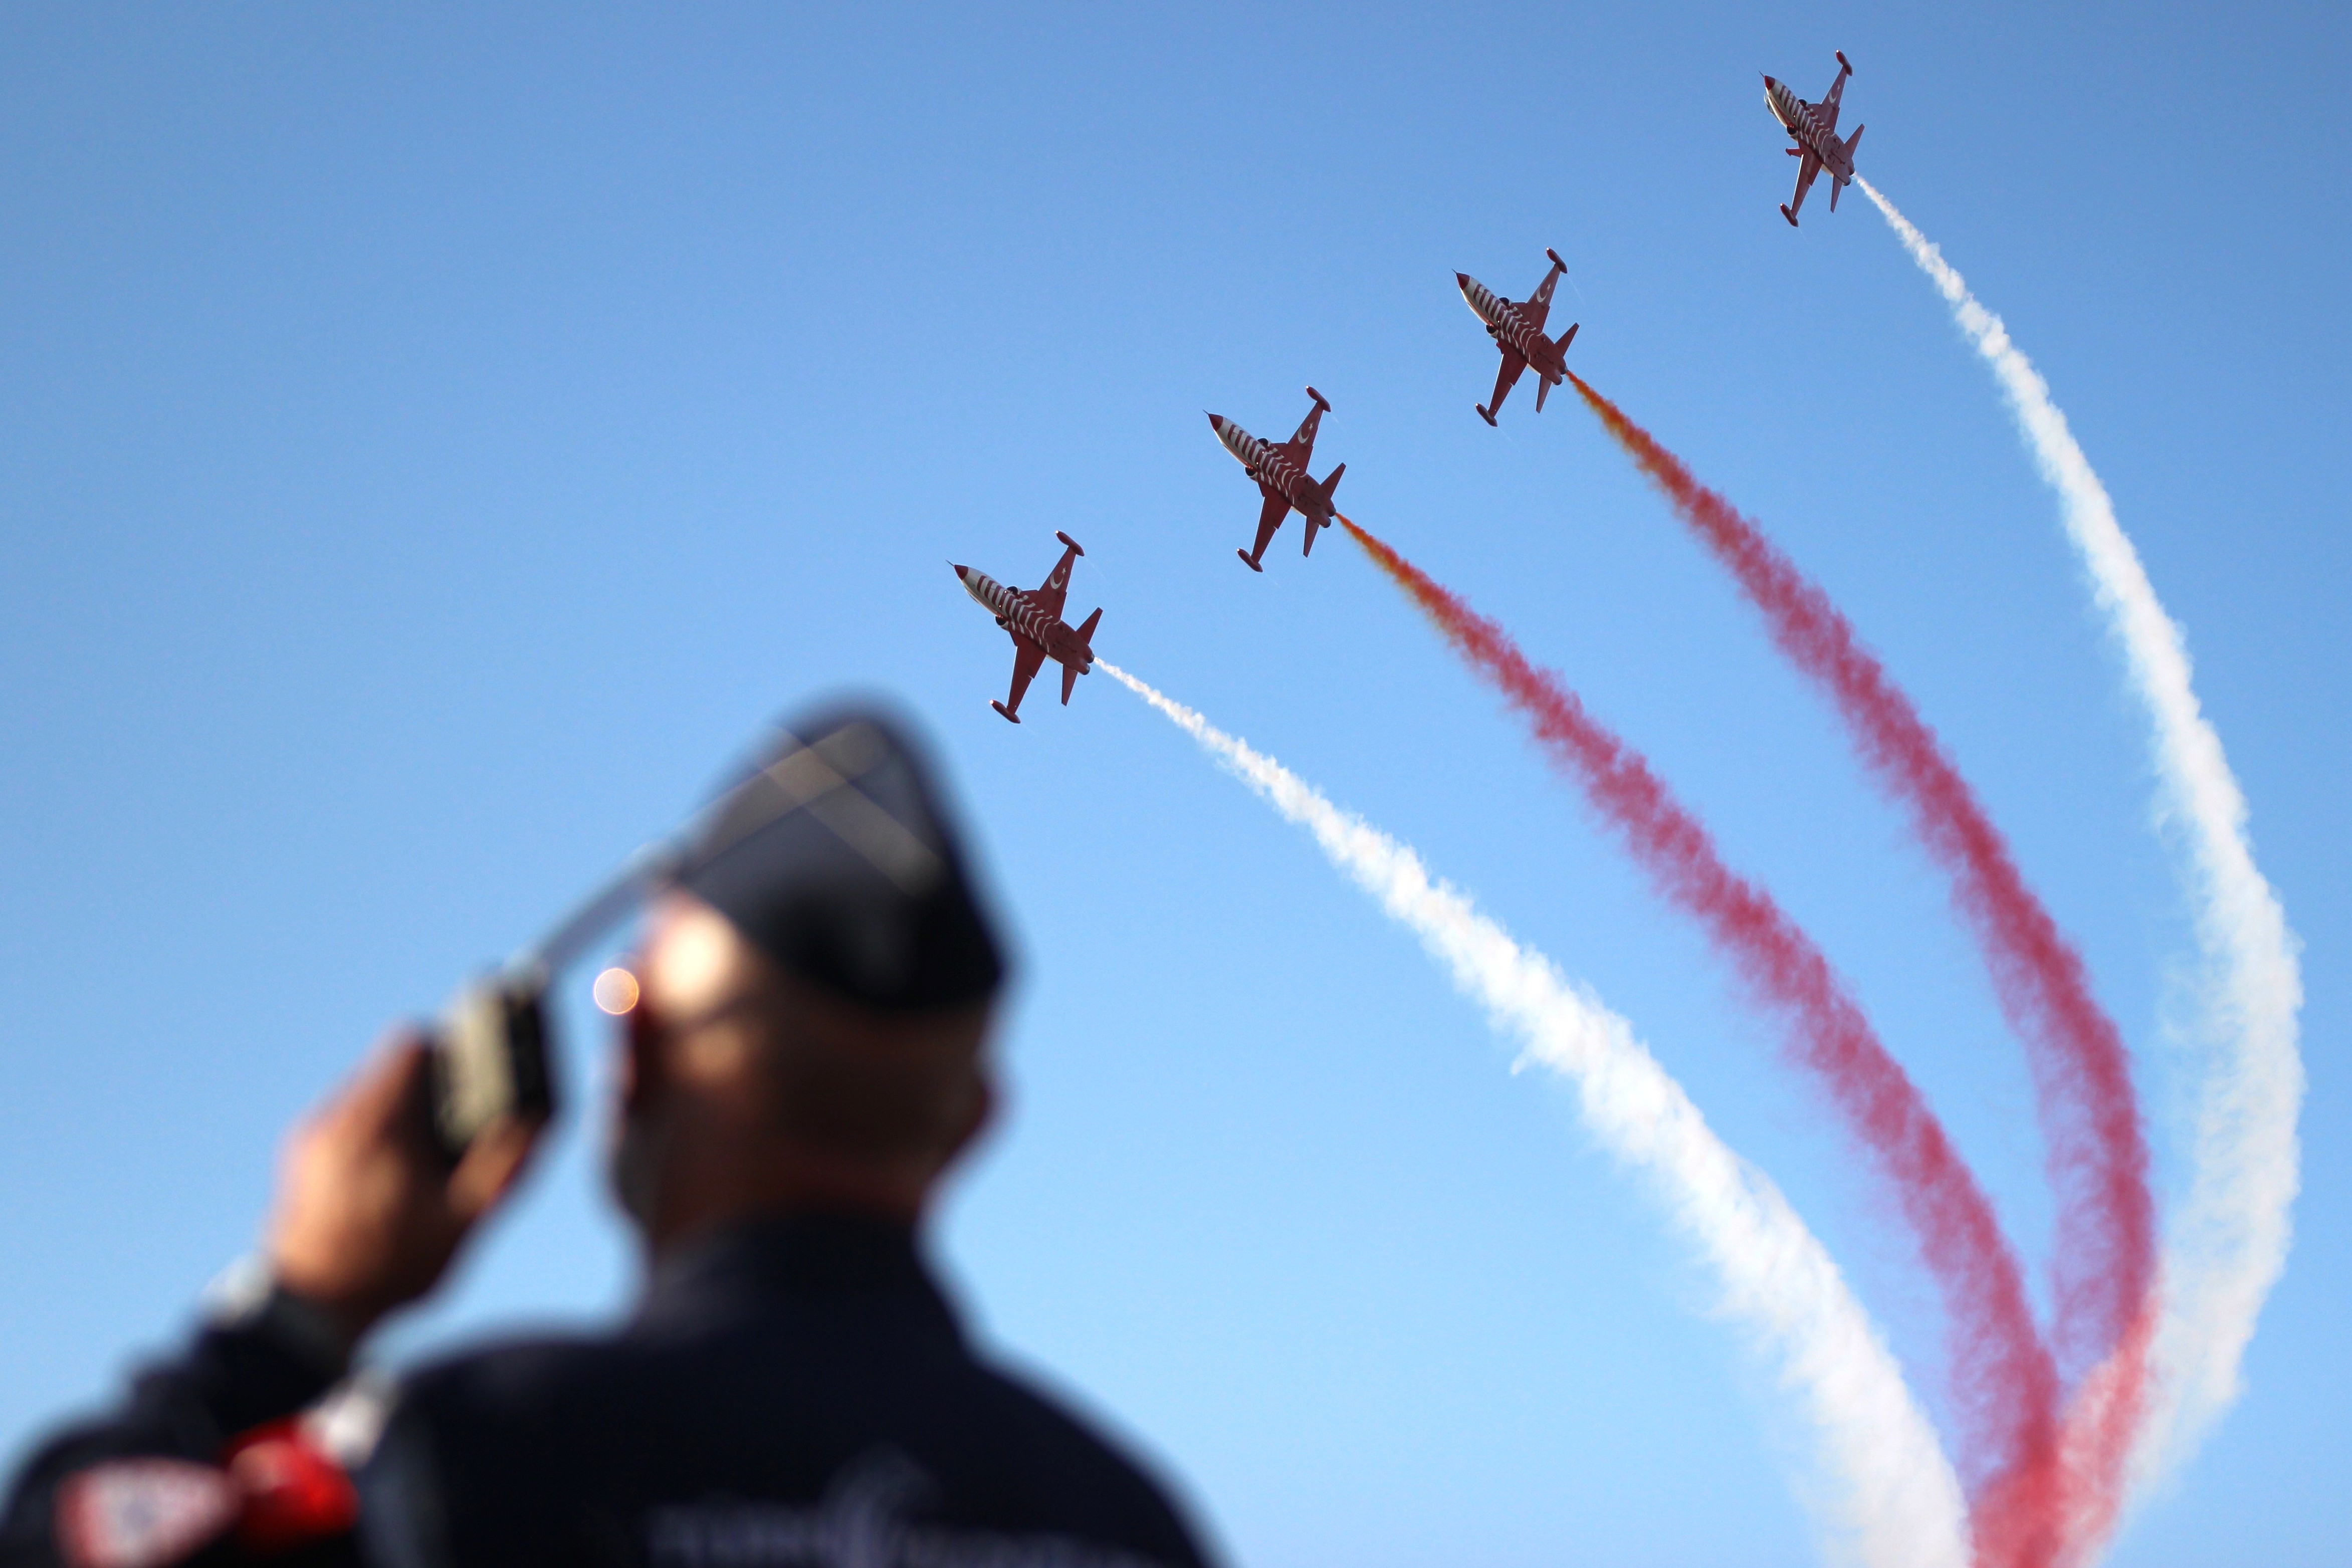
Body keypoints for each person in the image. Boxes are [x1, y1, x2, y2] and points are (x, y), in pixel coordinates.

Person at [2, 707, 1214, 1568]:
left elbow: (70, 1535)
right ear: (974, 1123)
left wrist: (293, 1317)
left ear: (633, 1055)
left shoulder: (472, 1456)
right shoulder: (1129, 1517)